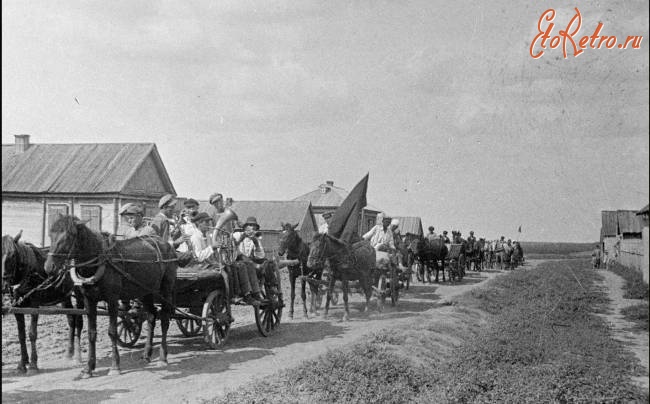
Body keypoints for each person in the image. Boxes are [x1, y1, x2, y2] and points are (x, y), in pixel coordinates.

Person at [192, 213, 263, 306]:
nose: (209, 225)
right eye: (206, 222)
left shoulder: (206, 235)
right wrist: (213, 248)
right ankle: (241, 294)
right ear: (199, 223)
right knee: (236, 266)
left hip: (213, 263)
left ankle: (248, 294)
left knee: (240, 265)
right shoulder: (197, 237)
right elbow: (199, 257)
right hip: (203, 265)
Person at [232, 217, 271, 305]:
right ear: (245, 227)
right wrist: (241, 238)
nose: (252, 229)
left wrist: (256, 243)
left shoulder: (255, 238)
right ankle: (251, 294)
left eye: (254, 228)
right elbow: (233, 249)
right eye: (250, 226)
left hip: (248, 263)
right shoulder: (237, 235)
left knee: (252, 264)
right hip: (238, 260)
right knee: (248, 264)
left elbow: (261, 256)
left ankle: (256, 294)